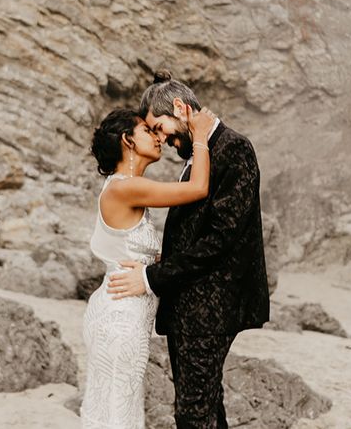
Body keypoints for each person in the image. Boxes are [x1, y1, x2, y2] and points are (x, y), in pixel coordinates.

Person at [108, 71, 270, 429]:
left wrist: (151, 278)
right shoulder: (199, 153)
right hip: (190, 304)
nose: (160, 139)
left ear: (179, 108)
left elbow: (221, 238)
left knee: (192, 413)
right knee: (207, 407)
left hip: (211, 308)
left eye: (160, 127)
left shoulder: (233, 148)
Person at [81, 104, 217, 429]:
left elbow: (132, 249)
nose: (158, 137)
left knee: (118, 410)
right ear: (128, 140)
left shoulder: (125, 187)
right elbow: (198, 189)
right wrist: (200, 136)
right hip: (120, 320)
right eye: (147, 130)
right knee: (117, 414)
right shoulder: (125, 187)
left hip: (125, 314)